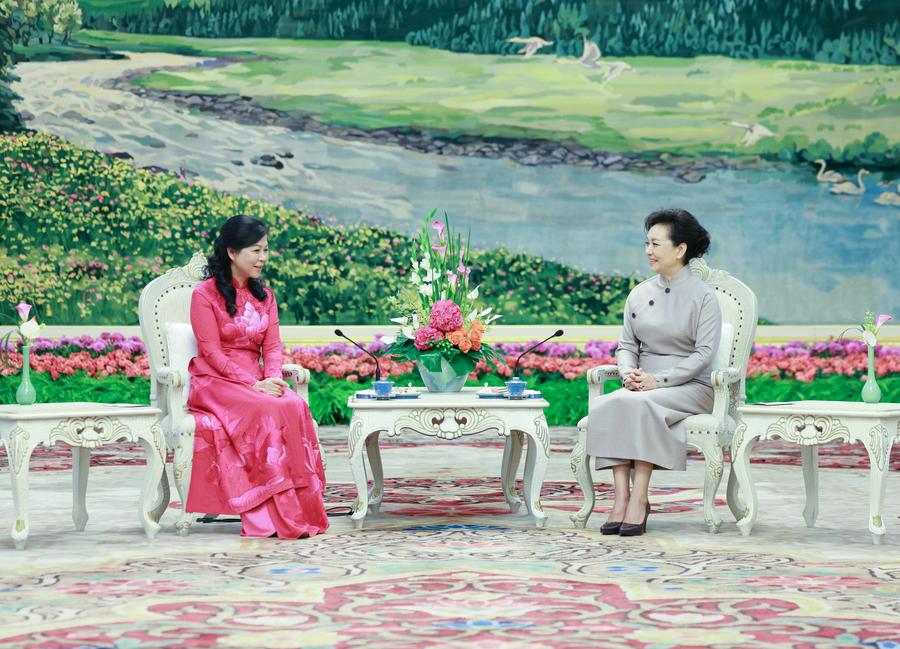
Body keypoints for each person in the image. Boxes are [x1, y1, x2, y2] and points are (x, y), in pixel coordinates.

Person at [186, 214, 328, 538]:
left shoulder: (266, 296)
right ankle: (268, 515)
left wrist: (273, 379)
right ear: (232, 252)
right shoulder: (204, 296)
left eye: (265, 249)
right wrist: (253, 384)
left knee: (292, 404)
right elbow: (212, 353)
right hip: (216, 381)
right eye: (255, 250)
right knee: (268, 408)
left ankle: (300, 510)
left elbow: (273, 347)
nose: (263, 257)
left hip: (259, 380)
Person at [586, 209, 722, 536]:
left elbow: (704, 354)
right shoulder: (639, 293)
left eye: (656, 244)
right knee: (611, 402)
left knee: (640, 403)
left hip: (691, 385)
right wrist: (627, 373)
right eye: (646, 243)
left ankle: (640, 497)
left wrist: (656, 381)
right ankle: (621, 497)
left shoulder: (704, 298)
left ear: (680, 249)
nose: (648, 250)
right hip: (642, 383)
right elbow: (626, 345)